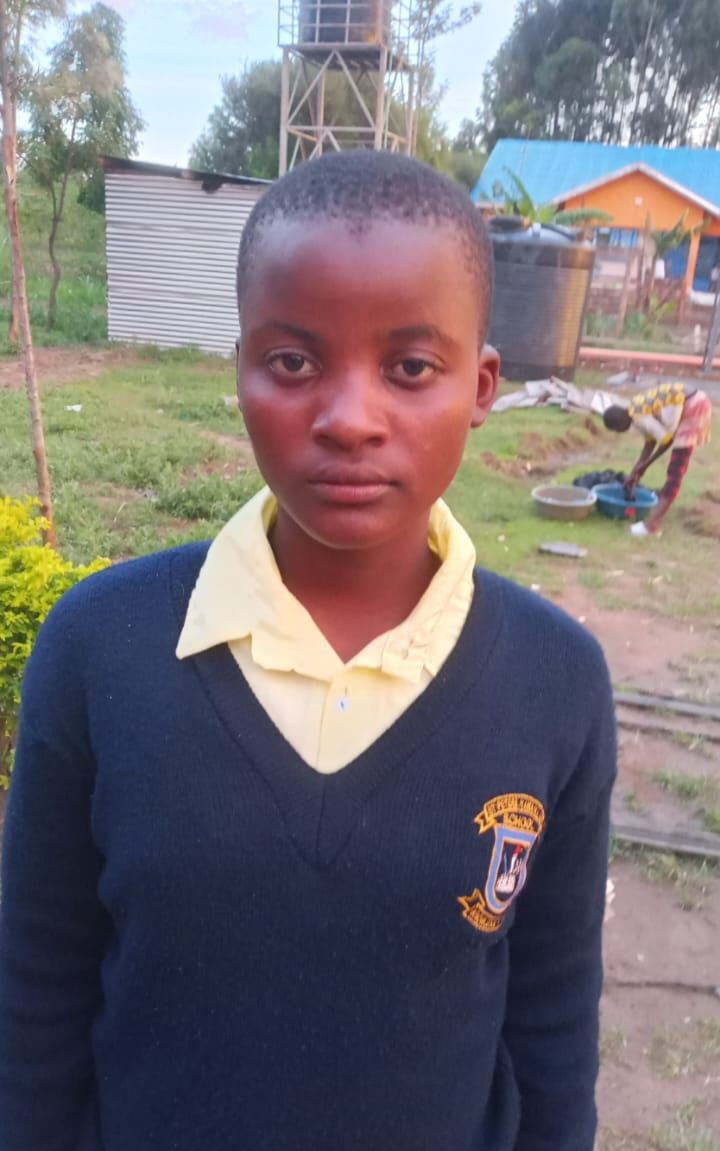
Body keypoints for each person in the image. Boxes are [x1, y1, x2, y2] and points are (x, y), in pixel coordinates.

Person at [0, 151, 616, 1151]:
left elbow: (551, 1017)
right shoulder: (99, 653)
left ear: (482, 384)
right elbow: (36, 992)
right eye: (293, 362)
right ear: (238, 366)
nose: (349, 418)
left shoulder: (556, 681)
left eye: (411, 367)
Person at [603, 381, 713, 537]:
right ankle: (658, 510)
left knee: (675, 472)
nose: (619, 433)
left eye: (616, 430)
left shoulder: (639, 415)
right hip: (692, 400)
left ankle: (652, 526)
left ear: (620, 424)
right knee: (674, 470)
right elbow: (651, 441)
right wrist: (636, 471)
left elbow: (666, 441)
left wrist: (646, 465)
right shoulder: (634, 409)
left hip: (693, 406)